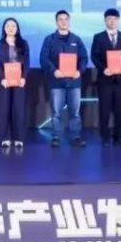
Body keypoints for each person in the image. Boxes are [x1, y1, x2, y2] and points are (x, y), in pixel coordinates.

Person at [39, 10, 89, 148]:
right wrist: (54, 71)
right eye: (60, 19)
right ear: (56, 22)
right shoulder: (49, 40)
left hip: (74, 82)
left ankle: (76, 137)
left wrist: (79, 71)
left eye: (66, 19)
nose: (63, 21)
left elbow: (84, 58)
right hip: (57, 82)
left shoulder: (76, 39)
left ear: (69, 21)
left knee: (75, 113)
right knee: (56, 113)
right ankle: (57, 137)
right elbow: (44, 59)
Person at [90, 9, 121, 147]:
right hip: (105, 79)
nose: (112, 21)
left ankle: (119, 137)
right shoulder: (98, 37)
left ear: (118, 20)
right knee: (104, 110)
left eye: (114, 19)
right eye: (109, 19)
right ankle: (105, 137)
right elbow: (94, 56)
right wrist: (103, 69)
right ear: (105, 20)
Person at [0, 18, 30, 150]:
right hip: (4, 81)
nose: (10, 28)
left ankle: (19, 138)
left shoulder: (23, 44)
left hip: (19, 81)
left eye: (13, 26)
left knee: (19, 109)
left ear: (17, 29)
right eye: (8, 26)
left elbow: (27, 62)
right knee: (4, 109)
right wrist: (2, 78)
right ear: (4, 29)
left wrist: (24, 77)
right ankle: (5, 138)